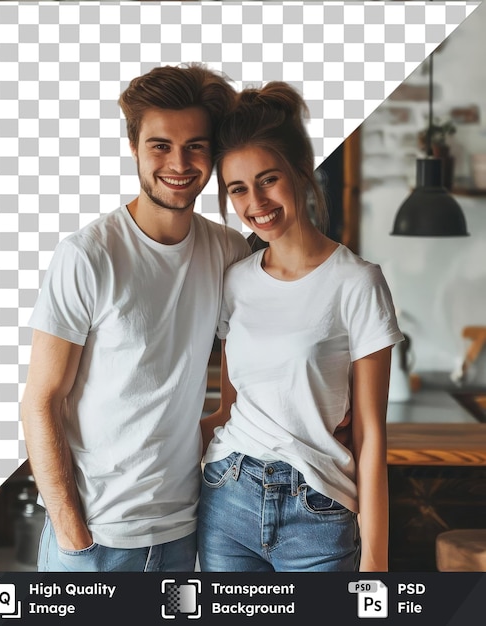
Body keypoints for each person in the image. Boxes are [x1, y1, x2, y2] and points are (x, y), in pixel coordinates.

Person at [20, 63, 250, 572]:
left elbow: (245, 387)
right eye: (161, 145)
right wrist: (69, 528)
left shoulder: (228, 251)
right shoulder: (88, 256)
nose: (179, 162)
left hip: (186, 529)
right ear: (134, 148)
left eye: (196, 145)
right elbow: (41, 400)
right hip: (96, 538)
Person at [198, 82, 404, 572]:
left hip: (318, 510)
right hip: (227, 496)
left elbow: (371, 437)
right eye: (238, 189)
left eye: (268, 179)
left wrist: (374, 567)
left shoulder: (357, 282)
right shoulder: (235, 280)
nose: (256, 202)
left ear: (301, 171)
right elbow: (229, 408)